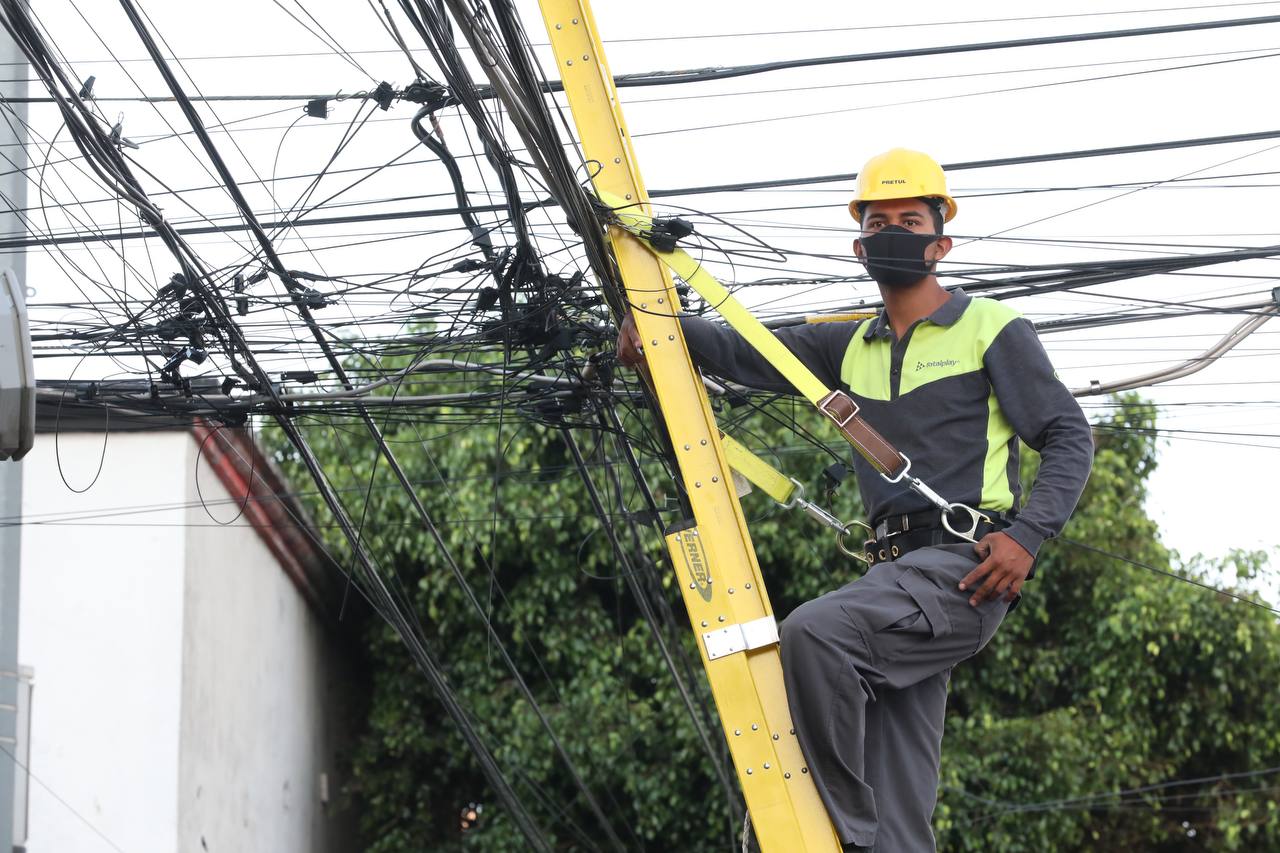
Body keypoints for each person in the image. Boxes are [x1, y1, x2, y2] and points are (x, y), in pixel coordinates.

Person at [616, 149, 1094, 851]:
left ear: (941, 242)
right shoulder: (846, 343)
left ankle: (835, 835)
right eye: (879, 221)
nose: (893, 231)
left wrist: (1028, 536)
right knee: (901, 796)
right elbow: (742, 351)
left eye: (909, 219)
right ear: (859, 244)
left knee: (815, 635)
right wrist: (658, 333)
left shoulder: (989, 327)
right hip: (893, 579)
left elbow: (1067, 435)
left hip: (962, 568)